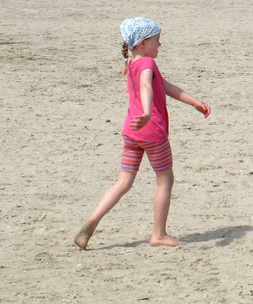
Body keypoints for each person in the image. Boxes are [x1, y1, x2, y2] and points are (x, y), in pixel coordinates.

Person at [74, 18, 210, 249]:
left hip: (131, 133)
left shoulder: (132, 64)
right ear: (143, 43)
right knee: (165, 180)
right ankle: (159, 234)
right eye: (157, 40)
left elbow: (164, 86)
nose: (160, 44)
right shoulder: (147, 64)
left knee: (123, 182)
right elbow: (147, 86)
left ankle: (92, 221)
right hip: (153, 132)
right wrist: (148, 111)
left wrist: (193, 102)